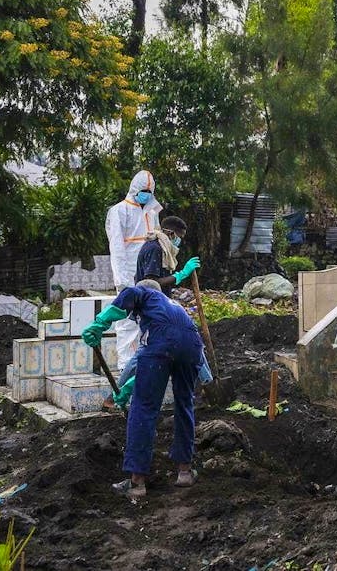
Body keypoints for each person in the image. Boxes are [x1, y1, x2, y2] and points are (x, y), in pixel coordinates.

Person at [83, 279, 203, 499]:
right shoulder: (177, 308)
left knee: (144, 409)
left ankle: (137, 483)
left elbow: (130, 294)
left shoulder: (146, 294)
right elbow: (191, 352)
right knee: (185, 404)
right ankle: (184, 472)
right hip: (192, 347)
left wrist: (99, 324)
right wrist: (129, 386)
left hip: (162, 347)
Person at [100, 216, 204, 411]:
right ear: (171, 233)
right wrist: (181, 275)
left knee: (185, 342)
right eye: (179, 237)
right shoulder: (155, 248)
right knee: (149, 351)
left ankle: (204, 387)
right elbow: (150, 282)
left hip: (159, 307)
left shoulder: (160, 247)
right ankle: (115, 396)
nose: (179, 242)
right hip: (153, 310)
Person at [106, 170, 162, 378]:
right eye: (144, 190)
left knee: (147, 317)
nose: (147, 194)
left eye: (150, 191)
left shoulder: (152, 211)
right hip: (128, 270)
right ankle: (125, 365)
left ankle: (144, 361)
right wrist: (121, 279)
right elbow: (117, 247)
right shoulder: (119, 211)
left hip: (148, 272)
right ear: (135, 189)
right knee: (126, 320)